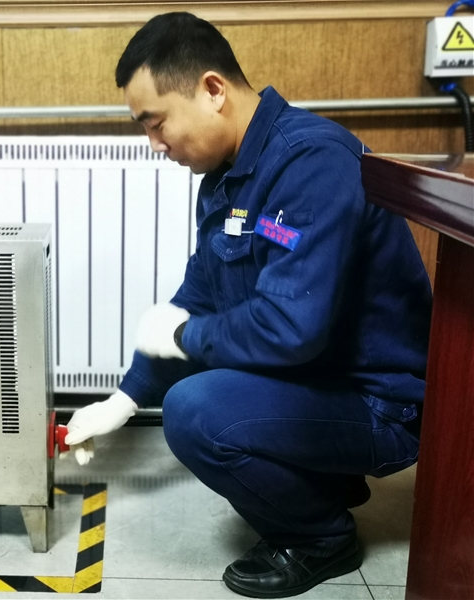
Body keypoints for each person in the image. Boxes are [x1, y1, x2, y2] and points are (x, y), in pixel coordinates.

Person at [63, 12, 432, 599]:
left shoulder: (312, 162)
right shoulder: (226, 180)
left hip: (380, 404)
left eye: (156, 123)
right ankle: (325, 482)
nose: (155, 145)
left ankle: (320, 537)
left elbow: (289, 328)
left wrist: (182, 338)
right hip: (319, 382)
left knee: (196, 410)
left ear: (212, 90)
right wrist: (125, 399)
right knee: (209, 362)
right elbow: (198, 298)